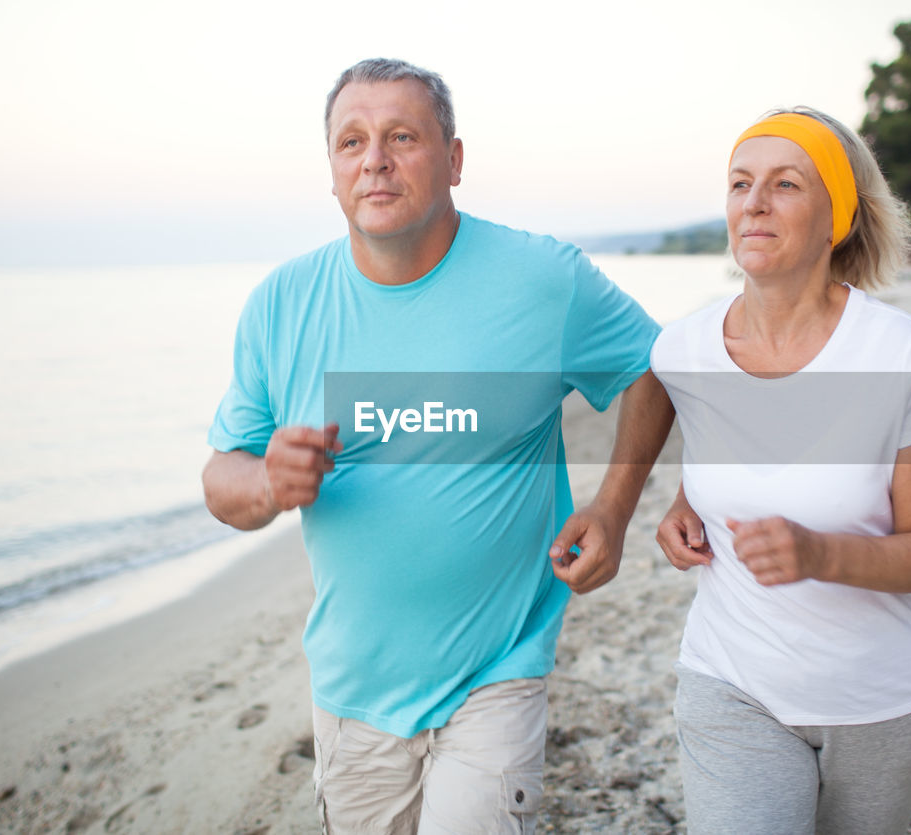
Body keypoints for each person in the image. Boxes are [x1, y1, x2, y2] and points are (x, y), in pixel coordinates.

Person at [201, 58, 672, 834]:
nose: (375, 159)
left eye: (401, 136)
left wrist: (614, 507)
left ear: (453, 159)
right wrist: (268, 483)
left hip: (499, 668)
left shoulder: (540, 279)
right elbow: (223, 477)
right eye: (351, 141)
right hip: (353, 689)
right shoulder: (281, 304)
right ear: (331, 171)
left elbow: (651, 367)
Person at [651, 107, 911, 834]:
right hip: (732, 683)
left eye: (785, 184)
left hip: (880, 704)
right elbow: (712, 446)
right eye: (739, 183)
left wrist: (819, 552)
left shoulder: (897, 352)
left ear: (838, 218)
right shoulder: (684, 349)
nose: (753, 202)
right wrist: (679, 503)